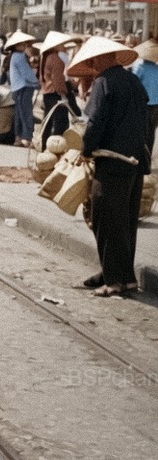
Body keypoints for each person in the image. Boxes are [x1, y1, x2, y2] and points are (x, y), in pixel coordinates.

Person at [71, 36, 148, 297]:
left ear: (101, 58)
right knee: (125, 221)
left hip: (113, 160)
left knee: (103, 219)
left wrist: (85, 149)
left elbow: (95, 123)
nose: (91, 65)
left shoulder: (104, 82)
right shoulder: (133, 81)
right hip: (136, 161)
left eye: (92, 60)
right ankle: (123, 276)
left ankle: (113, 280)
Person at [36, 30, 74, 147]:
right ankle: (56, 146)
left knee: (47, 120)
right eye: (61, 44)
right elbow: (57, 78)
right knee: (60, 122)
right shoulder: (56, 58)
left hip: (47, 91)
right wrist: (62, 93)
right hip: (55, 92)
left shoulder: (45, 56)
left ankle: (44, 145)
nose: (64, 47)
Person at [4, 30, 38, 147]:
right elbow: (27, 73)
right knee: (26, 113)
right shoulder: (19, 56)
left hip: (17, 87)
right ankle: (26, 137)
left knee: (19, 113)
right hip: (23, 87)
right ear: (16, 45)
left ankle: (18, 137)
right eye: (22, 44)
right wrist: (36, 82)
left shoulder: (14, 56)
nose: (24, 46)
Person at [130, 38, 158, 157]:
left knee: (140, 131)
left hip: (142, 104)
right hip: (156, 104)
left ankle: (140, 157)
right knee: (151, 131)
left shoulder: (140, 66)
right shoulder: (156, 68)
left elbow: (132, 83)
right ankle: (148, 156)